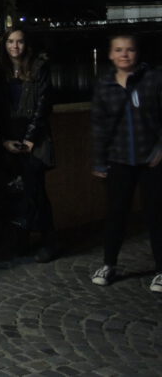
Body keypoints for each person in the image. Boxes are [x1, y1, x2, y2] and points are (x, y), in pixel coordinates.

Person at [89, 34, 162, 293]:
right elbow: (99, 125)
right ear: (110, 54)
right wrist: (99, 161)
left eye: (129, 50)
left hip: (151, 160)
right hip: (119, 159)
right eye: (118, 50)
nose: (124, 54)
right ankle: (109, 264)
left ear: (137, 53)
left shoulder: (153, 78)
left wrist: (160, 149)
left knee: (156, 215)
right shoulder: (105, 84)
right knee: (116, 215)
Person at [0, 25, 58, 262]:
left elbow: (43, 105)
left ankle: (48, 240)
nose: (14, 47)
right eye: (10, 42)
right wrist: (4, 140)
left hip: (34, 138)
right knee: (14, 191)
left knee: (36, 189)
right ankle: (21, 240)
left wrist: (30, 139)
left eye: (19, 42)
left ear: (26, 45)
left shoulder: (39, 67)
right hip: (10, 136)